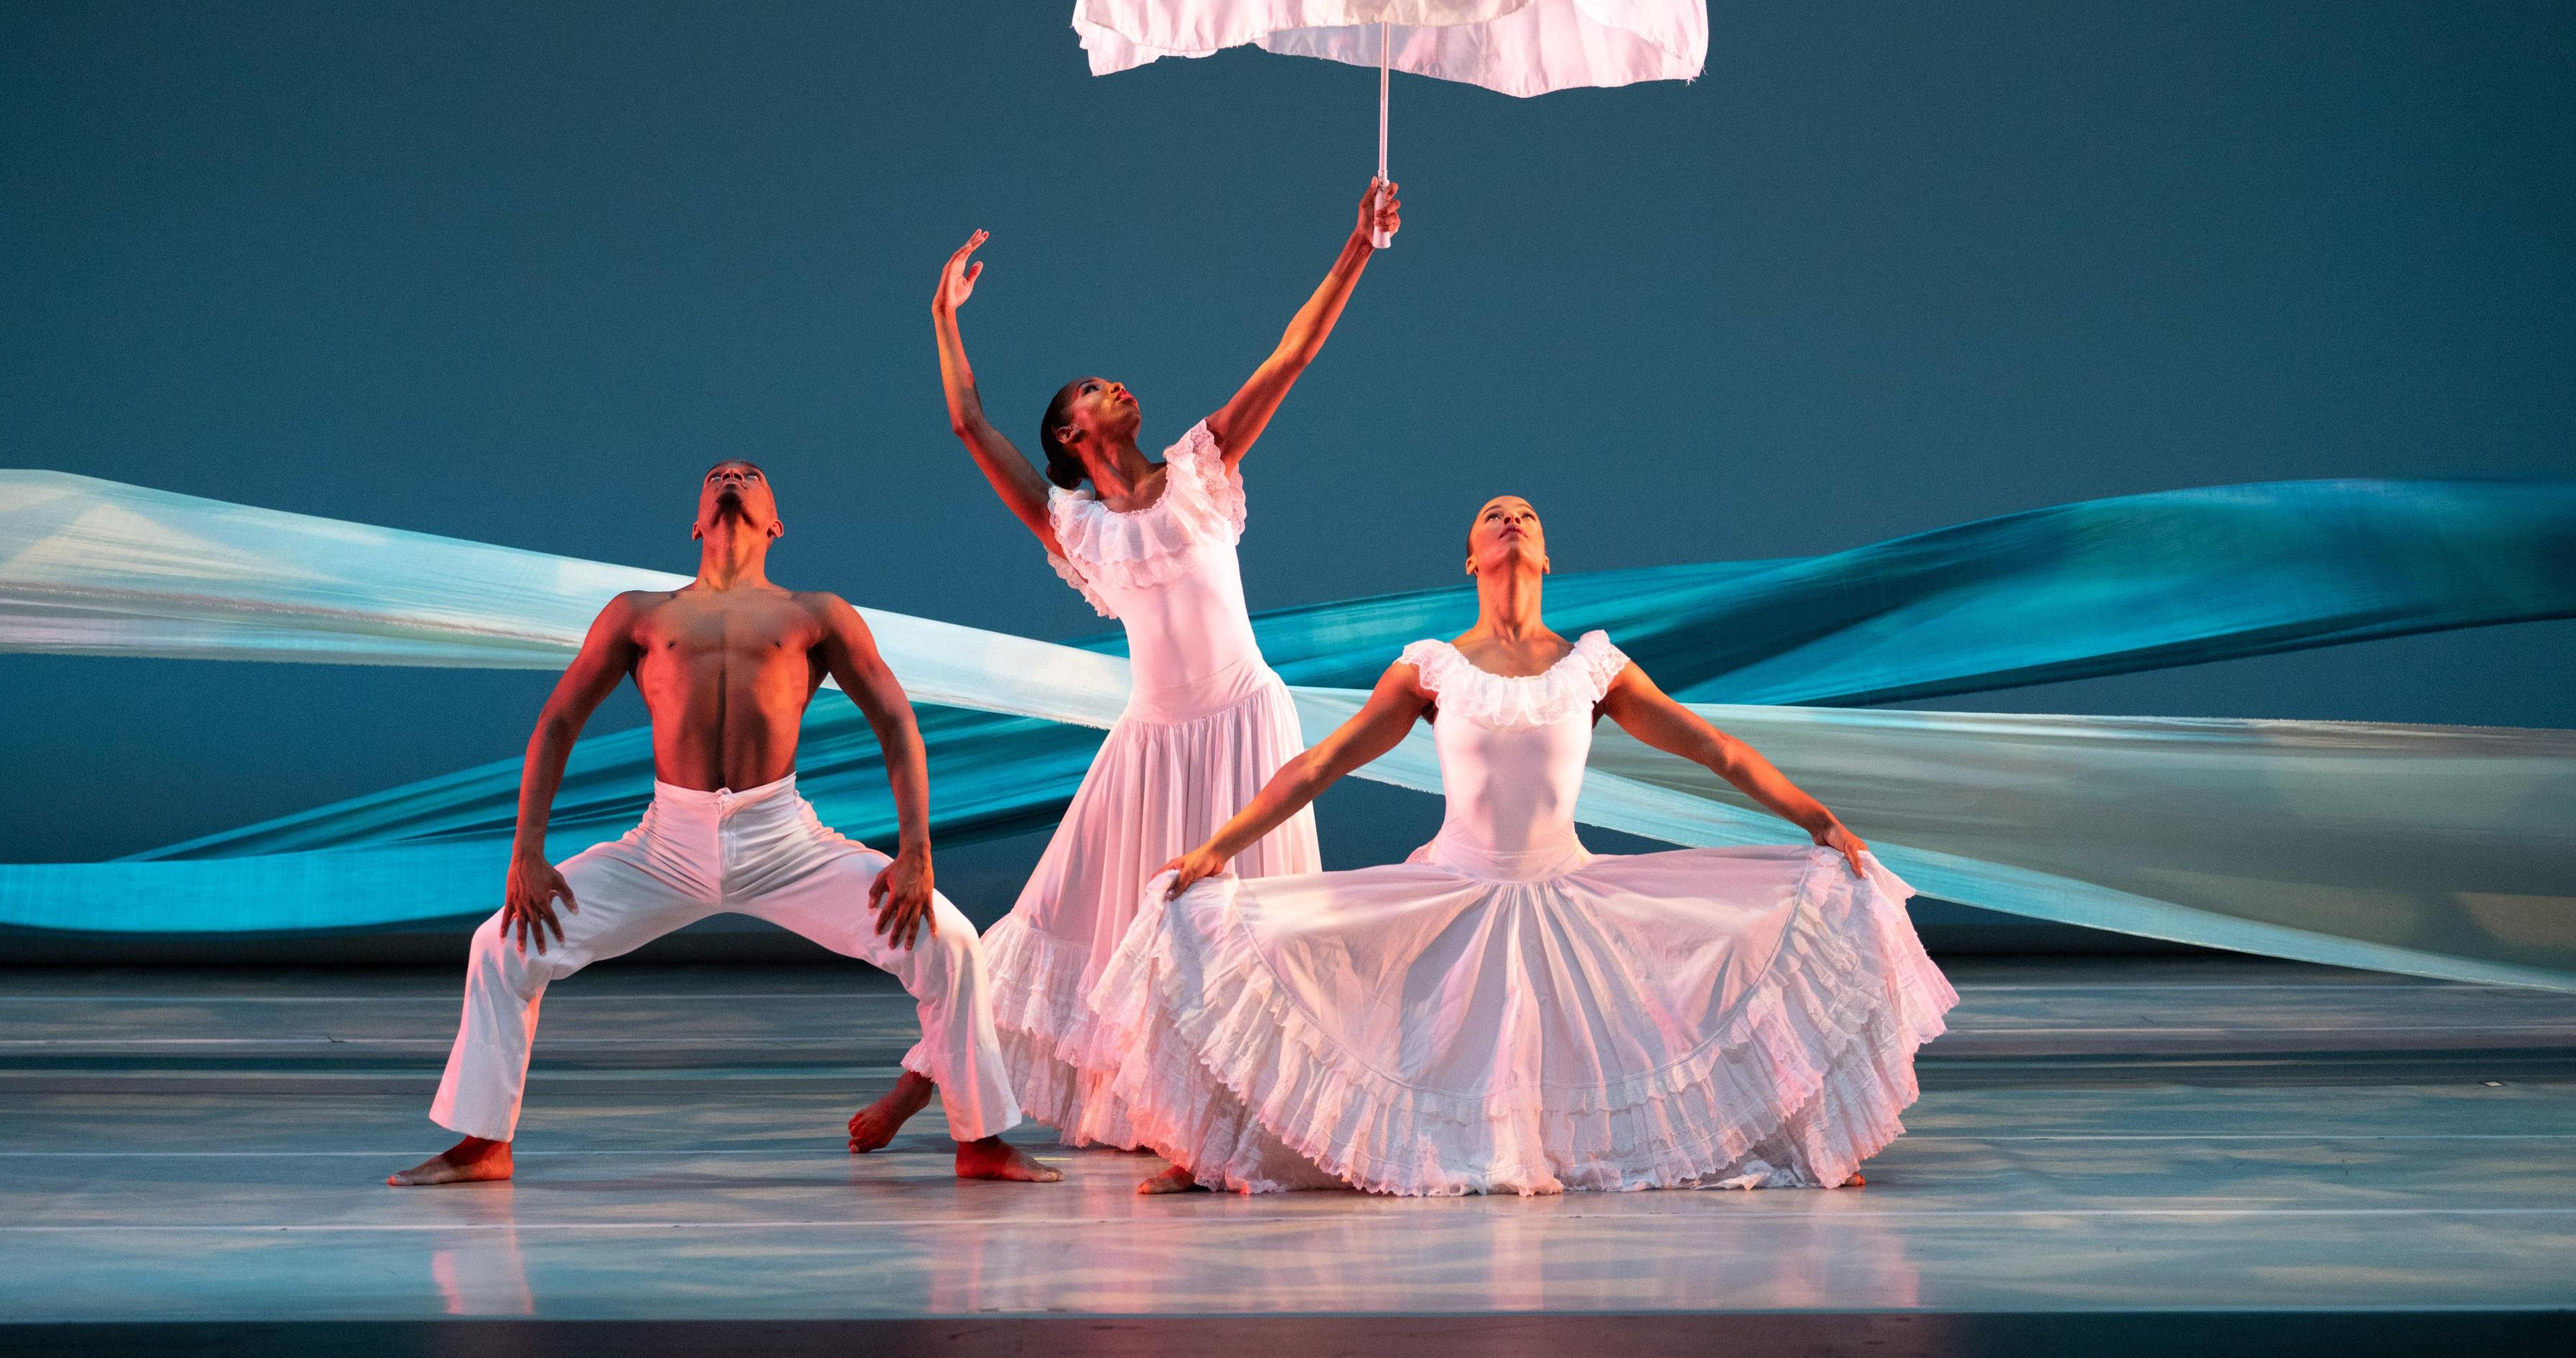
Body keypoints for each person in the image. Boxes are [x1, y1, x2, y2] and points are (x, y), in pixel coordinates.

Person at [1075, 493, 1957, 1197]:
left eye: (1527, 515)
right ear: (1472, 558)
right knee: (1263, 944)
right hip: (1455, 889)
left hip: (1567, 891)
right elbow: (1315, 767)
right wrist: (1216, 848)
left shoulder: (1593, 668)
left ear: (1544, 556)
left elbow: (1715, 748)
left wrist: (1820, 821)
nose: (1511, 520)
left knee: (1732, 953)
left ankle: (1799, 1144)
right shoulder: (1431, 667)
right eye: (1494, 515)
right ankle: (1215, 1151)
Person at [849, 178, 1404, 1155]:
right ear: (1071, 433)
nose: (1119, 387)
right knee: (1045, 921)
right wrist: (943, 316)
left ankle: (1237, 1117)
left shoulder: (1203, 465)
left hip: (1244, 727)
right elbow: (971, 423)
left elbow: (1294, 352)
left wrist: (1357, 244)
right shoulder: (1075, 526)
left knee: (1251, 933)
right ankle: (918, 1083)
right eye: (1096, 387)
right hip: (1148, 744)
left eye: (1116, 380)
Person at [388, 460, 1053, 1186]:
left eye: (752, 474)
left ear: (776, 523)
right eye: (717, 474)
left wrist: (915, 849)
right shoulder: (640, 613)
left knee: (948, 939)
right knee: (501, 944)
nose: (733, 475)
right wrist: (528, 852)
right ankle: (484, 1143)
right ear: (696, 522)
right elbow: (557, 723)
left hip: (785, 841)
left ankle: (980, 1141)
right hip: (665, 846)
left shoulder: (816, 613)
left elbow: (895, 721)